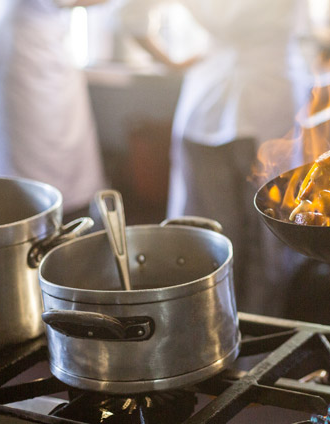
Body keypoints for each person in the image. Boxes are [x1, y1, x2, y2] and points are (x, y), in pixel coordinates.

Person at [114, 0, 311, 315]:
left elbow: (129, 14)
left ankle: (206, 334)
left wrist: (171, 62)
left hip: (206, 102)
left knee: (208, 240)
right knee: (268, 240)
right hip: (269, 99)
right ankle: (260, 341)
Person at [0, 0, 108, 216]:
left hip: (24, 39)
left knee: (22, 164)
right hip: (25, 49)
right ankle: (39, 231)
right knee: (29, 170)